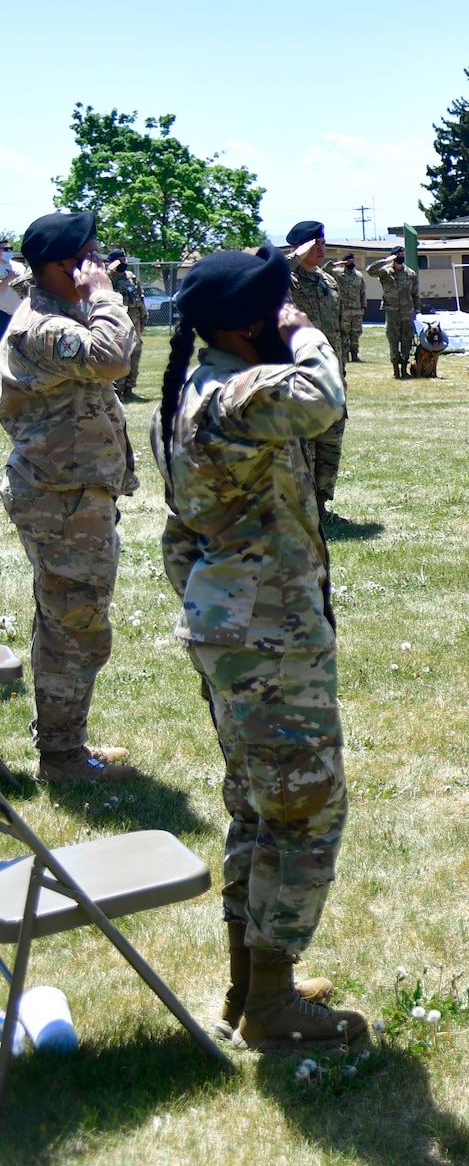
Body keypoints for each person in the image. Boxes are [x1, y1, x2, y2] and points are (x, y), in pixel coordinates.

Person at [153, 244, 363, 1048]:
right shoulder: (235, 392)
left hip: (233, 630)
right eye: (277, 307)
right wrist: (306, 330)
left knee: (256, 807)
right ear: (250, 325)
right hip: (266, 637)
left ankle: (250, 985)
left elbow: (181, 535)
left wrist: (212, 615)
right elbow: (321, 397)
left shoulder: (191, 387)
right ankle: (271, 1002)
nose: (290, 314)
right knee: (307, 812)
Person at [0, 210, 139, 782]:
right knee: (76, 625)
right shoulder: (42, 328)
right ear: (65, 264)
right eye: (92, 251)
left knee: (64, 619)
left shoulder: (61, 317)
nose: (101, 259)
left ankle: (62, 739)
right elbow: (113, 356)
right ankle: (61, 757)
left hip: (71, 493)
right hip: (61, 499)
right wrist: (107, 295)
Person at [284, 222, 348, 518]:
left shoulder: (329, 282)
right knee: (303, 441)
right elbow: (267, 277)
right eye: (315, 243)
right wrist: (295, 256)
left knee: (330, 440)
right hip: (301, 373)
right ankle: (302, 505)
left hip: (331, 374)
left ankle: (321, 502)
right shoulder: (287, 280)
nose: (321, 248)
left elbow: (338, 329)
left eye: (323, 242)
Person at [365, 246, 419, 378]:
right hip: (392, 311)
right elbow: (370, 271)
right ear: (393, 256)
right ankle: (395, 369)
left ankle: (404, 369)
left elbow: (415, 294)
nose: (401, 256)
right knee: (393, 340)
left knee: (407, 340)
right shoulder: (385, 272)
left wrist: (416, 311)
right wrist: (385, 261)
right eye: (398, 254)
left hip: (407, 312)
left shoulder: (410, 273)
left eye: (402, 254)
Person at [107, 250, 148, 400]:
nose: (123, 262)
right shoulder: (107, 277)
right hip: (118, 321)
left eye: (124, 259)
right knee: (122, 354)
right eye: (119, 260)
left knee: (135, 353)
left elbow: (140, 297)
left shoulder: (131, 277)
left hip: (134, 320)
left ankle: (130, 388)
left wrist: (144, 318)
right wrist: (111, 271)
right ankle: (118, 390)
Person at [332, 253, 365, 362]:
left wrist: (363, 306)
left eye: (352, 261)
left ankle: (355, 355)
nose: (351, 263)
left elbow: (362, 291)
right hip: (343, 309)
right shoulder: (337, 273)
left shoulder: (359, 275)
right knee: (344, 333)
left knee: (355, 333)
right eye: (348, 261)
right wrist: (338, 264)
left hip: (356, 309)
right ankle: (345, 356)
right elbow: (324, 270)